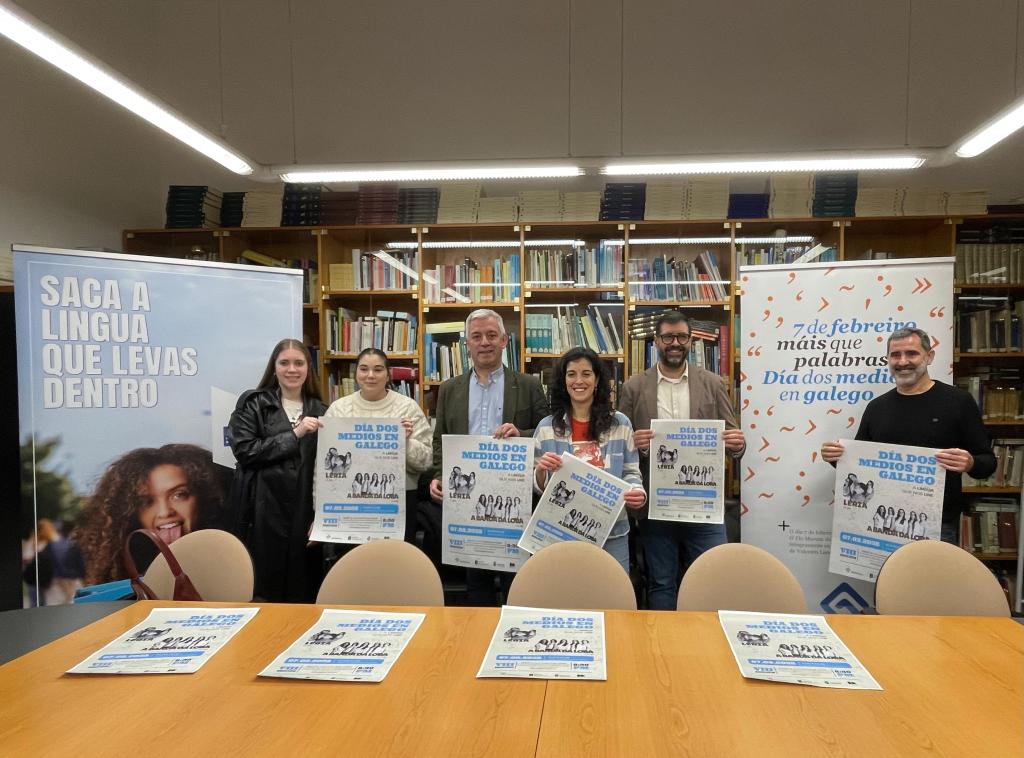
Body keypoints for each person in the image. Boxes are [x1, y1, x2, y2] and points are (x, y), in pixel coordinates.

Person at [618, 311, 746, 610]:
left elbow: (731, 439)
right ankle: (664, 649)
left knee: (713, 581)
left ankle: (710, 648)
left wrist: (738, 446)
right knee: (662, 583)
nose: (674, 343)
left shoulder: (713, 383)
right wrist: (635, 444)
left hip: (703, 505)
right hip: (657, 507)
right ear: (656, 341)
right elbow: (620, 445)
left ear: (690, 340)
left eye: (681, 337)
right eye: (667, 337)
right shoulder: (633, 387)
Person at [821, 327, 995, 544]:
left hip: (938, 526)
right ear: (888, 360)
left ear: (929, 356)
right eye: (895, 355)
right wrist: (837, 457)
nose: (903, 361)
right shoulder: (876, 407)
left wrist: (970, 463)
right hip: (881, 521)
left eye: (911, 353)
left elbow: (988, 463)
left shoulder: (958, 402)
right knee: (885, 579)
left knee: (931, 579)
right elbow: (860, 467)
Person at [430, 308, 549, 605]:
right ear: (467, 343)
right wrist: (437, 476)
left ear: (504, 341)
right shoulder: (448, 390)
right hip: (467, 500)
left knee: (518, 580)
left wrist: (520, 433)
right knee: (476, 580)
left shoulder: (528, 385)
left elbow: (548, 434)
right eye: (477, 336)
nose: (485, 342)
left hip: (514, 497)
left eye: (492, 335)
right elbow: (439, 440)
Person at [229, 338, 327, 603]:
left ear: (309, 368)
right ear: (274, 368)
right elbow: (246, 451)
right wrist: (295, 433)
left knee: (303, 592)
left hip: (304, 515)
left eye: (299, 363)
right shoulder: (253, 403)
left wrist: (323, 517)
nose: (292, 369)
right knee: (263, 592)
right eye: (284, 363)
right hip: (261, 512)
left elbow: (330, 471)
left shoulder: (323, 411)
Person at [534, 347, 647, 572]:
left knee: (614, 599)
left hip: (612, 532)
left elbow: (631, 472)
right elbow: (537, 486)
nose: (579, 381)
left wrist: (638, 492)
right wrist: (540, 471)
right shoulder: (546, 427)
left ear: (597, 380)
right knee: (567, 600)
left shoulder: (620, 424)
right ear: (563, 381)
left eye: (586, 374)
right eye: (571, 374)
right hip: (560, 533)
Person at [75, 443, 226, 586]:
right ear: (130, 514)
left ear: (205, 497)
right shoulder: (122, 576)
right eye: (146, 502)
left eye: (179, 495)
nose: (165, 512)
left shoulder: (229, 561)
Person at [324, 347, 432, 544]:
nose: (370, 375)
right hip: (349, 500)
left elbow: (426, 462)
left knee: (394, 564)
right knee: (354, 566)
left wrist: (404, 442)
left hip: (397, 502)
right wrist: (319, 511)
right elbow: (323, 465)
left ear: (388, 373)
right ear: (355, 373)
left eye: (378, 369)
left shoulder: (407, 407)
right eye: (364, 369)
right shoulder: (338, 409)